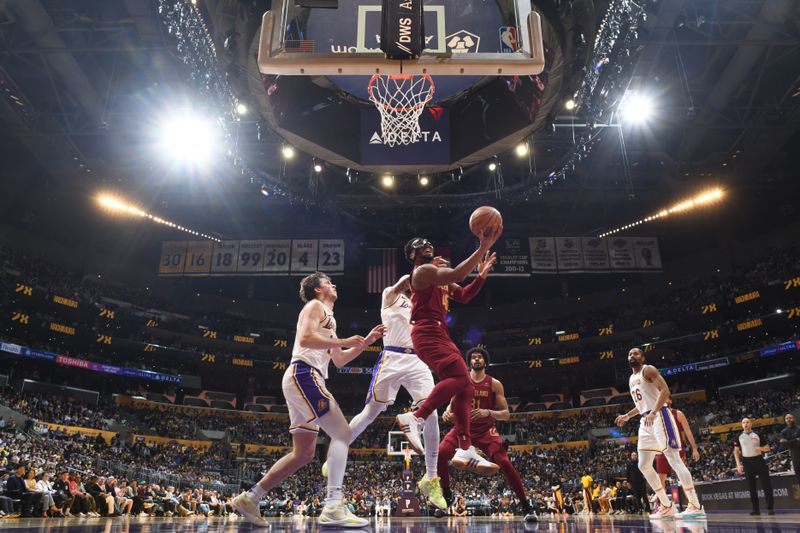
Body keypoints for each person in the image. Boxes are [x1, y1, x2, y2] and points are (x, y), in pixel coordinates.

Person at [232, 271, 385, 527]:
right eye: (328, 282)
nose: (333, 284)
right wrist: (345, 339)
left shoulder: (331, 320)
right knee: (342, 434)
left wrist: (366, 341)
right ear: (317, 290)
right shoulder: (314, 306)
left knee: (304, 453)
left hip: (304, 378)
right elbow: (304, 339)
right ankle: (334, 505)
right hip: (304, 374)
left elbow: (339, 360)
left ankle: (251, 497)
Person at [323, 274, 446, 510]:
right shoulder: (391, 293)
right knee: (371, 412)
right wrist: (425, 271)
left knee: (431, 412)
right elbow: (404, 281)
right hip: (392, 356)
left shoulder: (424, 303)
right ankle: (335, 453)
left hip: (418, 360)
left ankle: (431, 478)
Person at [395, 231, 501, 476]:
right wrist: (481, 248)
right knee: (463, 379)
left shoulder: (436, 275)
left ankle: (465, 448)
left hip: (440, 332)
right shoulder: (422, 272)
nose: (428, 244)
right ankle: (416, 417)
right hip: (427, 331)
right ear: (412, 255)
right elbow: (458, 274)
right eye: (421, 244)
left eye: (430, 241)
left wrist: (482, 275)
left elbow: (464, 294)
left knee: (465, 387)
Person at [438, 347, 537, 521]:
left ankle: (526, 507)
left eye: (480, 357)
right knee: (440, 453)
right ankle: (446, 495)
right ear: (469, 362)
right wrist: (447, 411)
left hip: (485, 431)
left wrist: (488, 412)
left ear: (485, 362)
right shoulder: (461, 380)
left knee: (505, 463)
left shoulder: (494, 383)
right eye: (473, 358)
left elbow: (506, 414)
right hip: (463, 428)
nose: (476, 359)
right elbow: (452, 403)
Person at [615, 347, 706, 519]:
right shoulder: (631, 378)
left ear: (642, 357)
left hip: (659, 416)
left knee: (674, 459)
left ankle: (695, 505)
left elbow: (665, 391)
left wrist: (654, 412)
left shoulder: (648, 370)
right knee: (643, 465)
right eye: (629, 354)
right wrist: (627, 416)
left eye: (635, 353)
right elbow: (642, 404)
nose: (631, 356)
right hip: (645, 420)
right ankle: (666, 504)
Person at [653, 398, 701, 510]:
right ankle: (664, 506)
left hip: (677, 448)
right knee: (660, 479)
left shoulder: (678, 413)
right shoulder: (656, 415)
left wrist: (694, 448)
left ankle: (693, 503)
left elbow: (688, 431)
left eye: (665, 397)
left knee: (682, 476)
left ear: (670, 400)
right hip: (661, 450)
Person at [734, 417, 774, 516]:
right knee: (752, 488)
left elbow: (767, 448)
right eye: (743, 422)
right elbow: (736, 451)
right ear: (742, 424)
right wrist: (738, 464)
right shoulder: (738, 436)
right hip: (747, 463)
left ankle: (770, 508)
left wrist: (760, 448)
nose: (745, 424)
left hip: (759, 461)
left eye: (747, 422)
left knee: (766, 485)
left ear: (751, 424)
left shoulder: (758, 434)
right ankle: (756, 509)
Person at [779, 413, 800, 487]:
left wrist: (788, 441)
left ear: (793, 418)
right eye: (786, 418)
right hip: (795, 456)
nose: (788, 419)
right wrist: (796, 440)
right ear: (785, 420)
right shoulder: (783, 432)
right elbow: (783, 445)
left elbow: (786, 442)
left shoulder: (799, 428)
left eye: (790, 418)